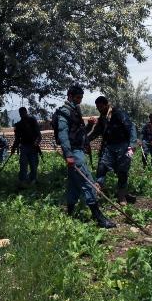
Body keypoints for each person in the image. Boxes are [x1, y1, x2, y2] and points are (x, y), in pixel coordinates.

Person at [55, 85, 115, 228]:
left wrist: (89, 126)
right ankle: (99, 218)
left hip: (78, 151)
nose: (80, 100)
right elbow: (63, 135)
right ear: (69, 96)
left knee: (73, 184)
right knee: (88, 183)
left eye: (81, 98)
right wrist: (69, 155)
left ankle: (69, 214)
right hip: (74, 153)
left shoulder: (75, 110)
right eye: (77, 98)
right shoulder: (65, 112)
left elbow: (79, 133)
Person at [87, 96, 137, 203]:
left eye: (101, 107)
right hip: (109, 147)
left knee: (122, 171)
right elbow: (96, 132)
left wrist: (132, 145)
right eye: (97, 107)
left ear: (106, 105)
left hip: (124, 146)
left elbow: (131, 127)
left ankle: (121, 195)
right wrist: (85, 141)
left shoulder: (118, 113)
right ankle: (99, 187)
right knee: (102, 166)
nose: (99, 109)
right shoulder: (102, 119)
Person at [10, 107, 42, 186]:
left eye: (23, 113)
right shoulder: (19, 125)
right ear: (19, 114)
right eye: (21, 113)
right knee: (23, 165)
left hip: (33, 147)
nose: (22, 115)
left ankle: (33, 180)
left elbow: (39, 135)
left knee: (33, 165)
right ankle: (23, 181)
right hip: (24, 147)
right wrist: (13, 148)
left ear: (26, 112)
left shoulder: (32, 121)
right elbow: (17, 139)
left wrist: (36, 143)